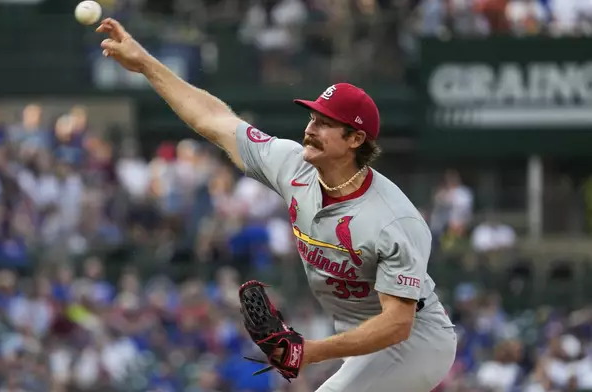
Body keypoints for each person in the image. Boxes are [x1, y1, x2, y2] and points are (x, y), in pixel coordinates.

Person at [97, 18, 457, 391]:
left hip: (416, 344)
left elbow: (398, 324)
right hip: (360, 339)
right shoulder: (292, 165)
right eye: (312, 117)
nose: (310, 129)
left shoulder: (392, 219)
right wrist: (145, 64)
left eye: (325, 123)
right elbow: (215, 120)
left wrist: (309, 351)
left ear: (355, 138)